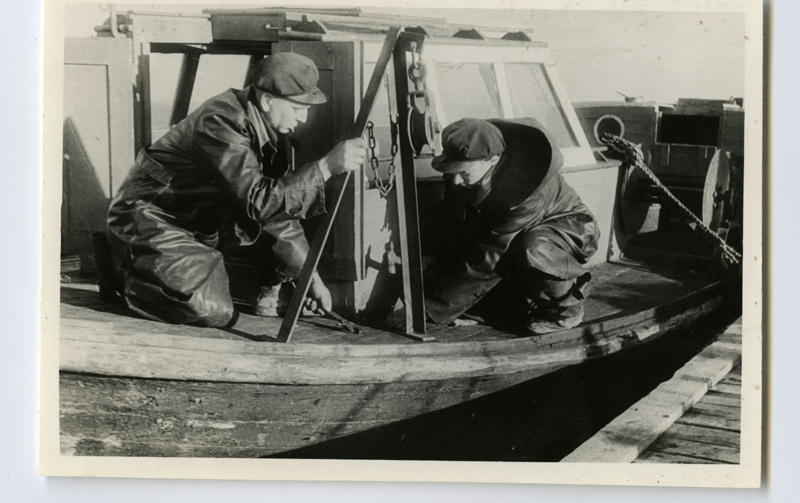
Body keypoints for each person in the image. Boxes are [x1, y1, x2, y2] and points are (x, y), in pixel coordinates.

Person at [106, 52, 366, 328]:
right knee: (210, 311)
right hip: (151, 220)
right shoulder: (221, 122)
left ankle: (158, 268)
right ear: (267, 101)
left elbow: (276, 211)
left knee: (223, 292)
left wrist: (309, 278)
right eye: (298, 109)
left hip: (195, 226)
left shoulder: (266, 128)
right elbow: (259, 201)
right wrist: (326, 166)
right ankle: (123, 271)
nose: (303, 119)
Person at [417, 117, 600, 334]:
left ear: (493, 160)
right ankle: (495, 307)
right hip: (512, 236)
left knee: (535, 246)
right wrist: (432, 255)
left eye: (464, 172)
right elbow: (450, 221)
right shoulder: (461, 174)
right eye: (451, 170)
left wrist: (429, 309)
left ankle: (565, 311)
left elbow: (490, 256)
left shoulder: (526, 191)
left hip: (570, 230)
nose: (455, 180)